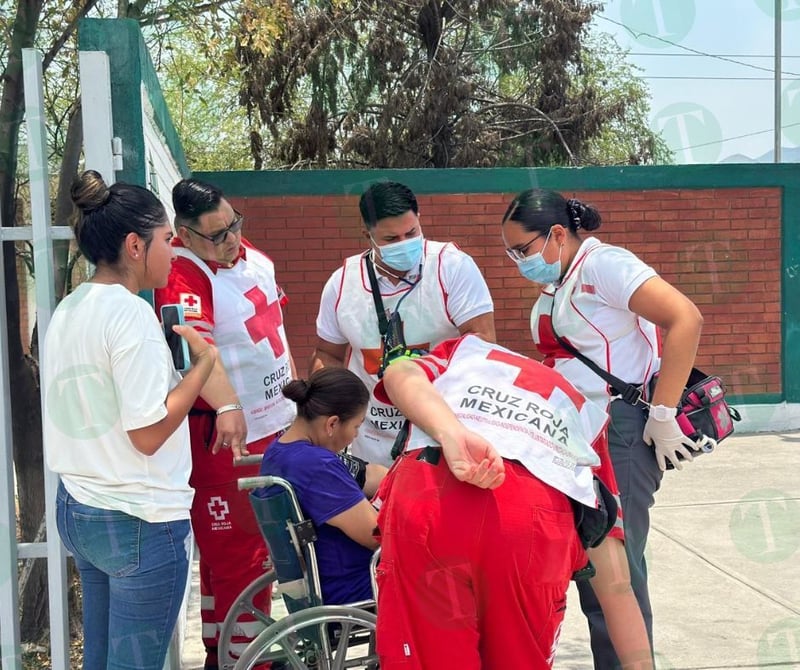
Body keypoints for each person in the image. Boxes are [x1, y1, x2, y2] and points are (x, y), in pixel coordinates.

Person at [501, 188, 704, 669]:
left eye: (522, 249)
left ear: (556, 234)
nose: (517, 262)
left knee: (618, 575)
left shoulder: (604, 265)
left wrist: (663, 412)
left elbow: (685, 318)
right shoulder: (563, 280)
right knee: (595, 568)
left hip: (621, 430)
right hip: (582, 436)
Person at [374, 335, 653, 670]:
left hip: (432, 488)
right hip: (535, 516)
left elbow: (398, 373)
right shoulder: (581, 409)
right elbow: (617, 586)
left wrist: (452, 433)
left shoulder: (461, 351)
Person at [42, 170, 217, 670]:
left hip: (80, 506)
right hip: (138, 517)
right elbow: (147, 433)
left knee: (99, 658)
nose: (174, 249)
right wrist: (200, 369)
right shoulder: (131, 316)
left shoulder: (70, 308)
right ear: (135, 246)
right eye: (167, 239)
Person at [153, 178, 296, 668]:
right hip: (226, 435)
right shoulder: (183, 274)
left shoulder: (237, 248)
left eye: (234, 224)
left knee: (235, 554)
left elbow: (268, 317)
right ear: (184, 235)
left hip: (272, 420)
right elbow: (197, 352)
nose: (231, 239)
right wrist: (230, 407)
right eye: (216, 234)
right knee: (239, 553)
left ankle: (223, 649)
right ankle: (247, 660)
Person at [310, 180, 496, 467]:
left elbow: (481, 343)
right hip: (372, 438)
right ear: (367, 236)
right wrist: (332, 410)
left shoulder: (452, 267)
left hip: (441, 430)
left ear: (420, 220)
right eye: (391, 239)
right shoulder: (342, 283)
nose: (404, 244)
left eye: (411, 233)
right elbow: (328, 354)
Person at [255, 368, 379, 605]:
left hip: (314, 583)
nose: (355, 436)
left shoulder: (278, 451)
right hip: (353, 586)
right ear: (332, 423)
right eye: (356, 426)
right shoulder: (317, 465)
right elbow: (375, 535)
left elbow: (371, 477)